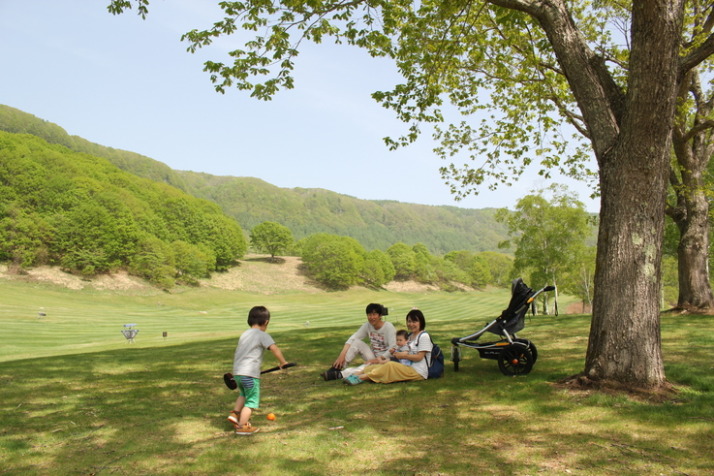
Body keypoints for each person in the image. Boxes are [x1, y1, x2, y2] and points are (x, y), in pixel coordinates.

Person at [226, 305, 288, 435]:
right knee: (251, 401)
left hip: (238, 374)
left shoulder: (244, 334)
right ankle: (242, 427)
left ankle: (235, 414)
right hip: (249, 376)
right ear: (266, 322)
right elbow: (274, 348)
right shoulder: (262, 335)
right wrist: (283, 362)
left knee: (243, 394)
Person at [343, 308, 432, 385]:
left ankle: (361, 378)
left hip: (418, 371)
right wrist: (395, 353)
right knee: (380, 364)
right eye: (409, 321)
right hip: (406, 366)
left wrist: (403, 355)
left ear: (421, 322)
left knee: (390, 366)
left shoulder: (424, 336)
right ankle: (356, 374)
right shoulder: (409, 336)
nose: (411, 324)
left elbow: (419, 357)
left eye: (414, 321)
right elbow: (403, 352)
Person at [320, 303, 396, 381]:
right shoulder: (367, 325)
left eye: (374, 314)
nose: (372, 317)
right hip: (373, 355)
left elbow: (393, 348)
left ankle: (340, 375)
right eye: (369, 315)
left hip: (385, 359)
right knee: (356, 342)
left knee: (365, 367)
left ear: (380, 316)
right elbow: (352, 339)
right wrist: (341, 356)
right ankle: (338, 367)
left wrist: (378, 359)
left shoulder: (388, 327)